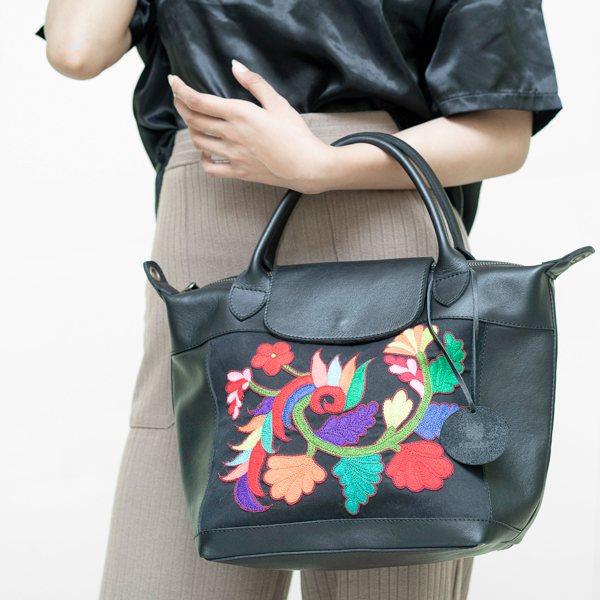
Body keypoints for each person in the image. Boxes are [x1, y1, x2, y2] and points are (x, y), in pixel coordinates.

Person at [36, 1, 562, 598]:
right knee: (166, 549)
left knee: (395, 525)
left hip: (377, 212)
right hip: (213, 211)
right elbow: (75, 49)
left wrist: (323, 164)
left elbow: (502, 129)